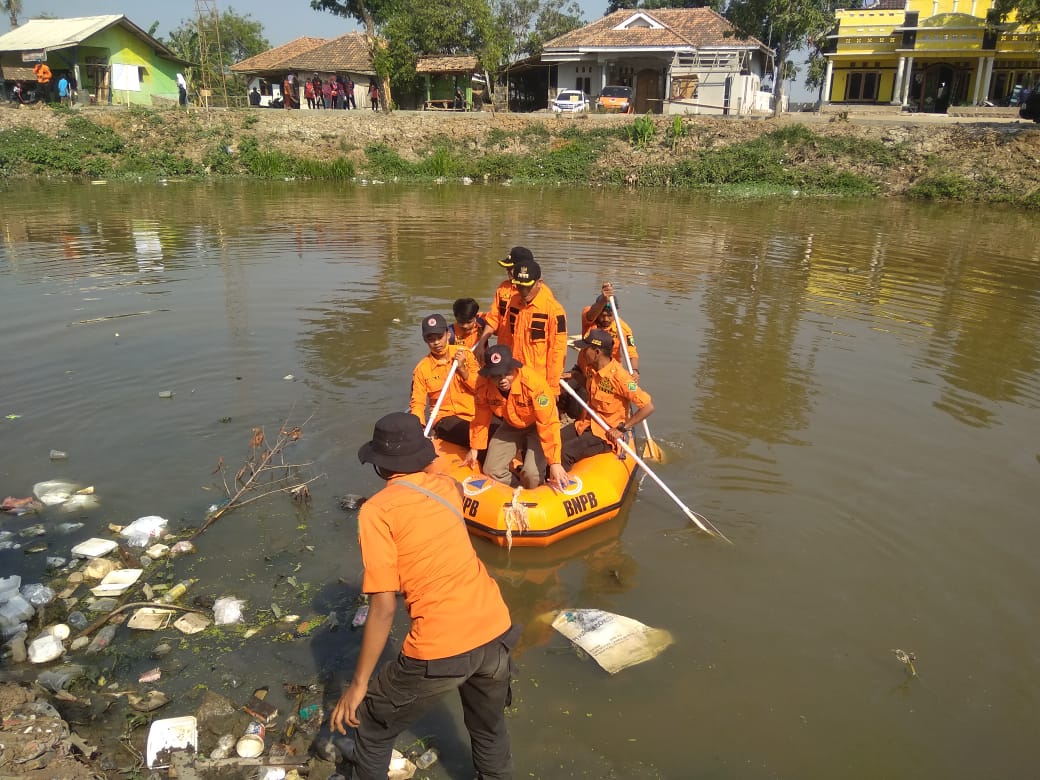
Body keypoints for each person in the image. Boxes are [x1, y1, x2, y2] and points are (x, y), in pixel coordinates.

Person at [332, 411, 519, 780]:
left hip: (441, 644)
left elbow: (384, 606)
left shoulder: (376, 512)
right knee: (488, 728)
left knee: (371, 723)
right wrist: (429, 453)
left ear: (379, 466)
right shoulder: (449, 487)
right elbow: (442, 472)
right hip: (496, 628)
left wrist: (358, 685)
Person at [465, 344, 569, 490]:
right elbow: (481, 417)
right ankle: (515, 488)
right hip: (510, 424)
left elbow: (548, 423)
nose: (502, 379)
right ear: (488, 375)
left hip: (536, 426)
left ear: (514, 368)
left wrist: (554, 463)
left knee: (531, 474)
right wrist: (475, 447)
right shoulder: (483, 385)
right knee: (491, 470)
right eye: (496, 375)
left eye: (506, 373)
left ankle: (535, 488)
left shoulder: (534, 385)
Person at [561, 328, 653, 469]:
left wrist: (622, 428)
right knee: (552, 440)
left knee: (564, 453)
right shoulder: (591, 370)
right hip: (586, 423)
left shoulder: (620, 378)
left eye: (586, 349)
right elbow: (590, 387)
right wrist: (572, 377)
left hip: (604, 434)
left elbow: (648, 407)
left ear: (597, 352)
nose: (582, 353)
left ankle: (560, 485)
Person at [497, 258, 568, 397]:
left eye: (528, 286)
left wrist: (552, 387)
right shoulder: (513, 302)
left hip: (538, 380)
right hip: (515, 375)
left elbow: (557, 352)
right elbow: (505, 338)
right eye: (519, 286)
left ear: (539, 283)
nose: (523, 290)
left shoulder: (554, 310)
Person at [409, 313, 479, 448]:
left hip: (474, 413)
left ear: (448, 334)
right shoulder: (422, 369)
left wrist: (463, 371)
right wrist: (420, 429)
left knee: (498, 430)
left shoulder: (466, 355)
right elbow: (417, 403)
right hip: (445, 418)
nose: (436, 343)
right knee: (475, 434)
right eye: (431, 339)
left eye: (439, 337)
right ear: (425, 340)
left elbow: (481, 389)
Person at [579, 281, 639, 377]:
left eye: (609, 316)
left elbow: (631, 354)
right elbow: (590, 315)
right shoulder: (589, 317)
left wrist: (634, 371)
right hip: (585, 370)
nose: (605, 319)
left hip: (610, 373)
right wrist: (603, 300)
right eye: (602, 315)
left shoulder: (622, 328)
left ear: (616, 312)